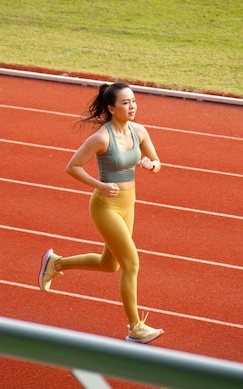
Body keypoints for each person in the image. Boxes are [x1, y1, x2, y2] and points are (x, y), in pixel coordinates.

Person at [38, 82, 164, 344]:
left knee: (110, 264)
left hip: (128, 202)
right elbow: (73, 166)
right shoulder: (101, 138)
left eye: (134, 101)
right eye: (125, 103)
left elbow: (157, 162)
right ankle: (135, 327)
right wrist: (101, 185)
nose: (132, 106)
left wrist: (152, 165)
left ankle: (56, 263)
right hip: (105, 206)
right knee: (132, 263)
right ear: (111, 108)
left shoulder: (139, 131)